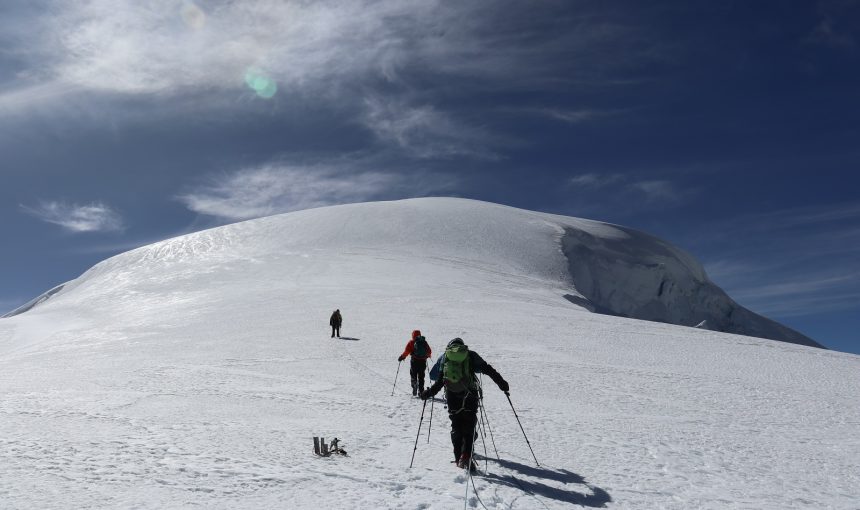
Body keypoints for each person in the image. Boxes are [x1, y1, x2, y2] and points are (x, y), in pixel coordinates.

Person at [420, 338, 509, 471]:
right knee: (469, 424)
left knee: (456, 425)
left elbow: (437, 380)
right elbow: (488, 369)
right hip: (470, 395)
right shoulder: (470, 355)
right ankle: (466, 456)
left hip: (452, 395)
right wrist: (502, 384)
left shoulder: (445, 357)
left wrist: (427, 393)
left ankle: (458, 459)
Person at [398, 330, 433, 397]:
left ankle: (414, 385)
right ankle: (421, 391)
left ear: (413, 335)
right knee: (421, 377)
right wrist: (427, 356)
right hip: (422, 362)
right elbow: (429, 351)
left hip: (414, 361)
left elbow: (406, 351)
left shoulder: (411, 342)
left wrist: (402, 357)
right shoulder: (424, 342)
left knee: (413, 374)